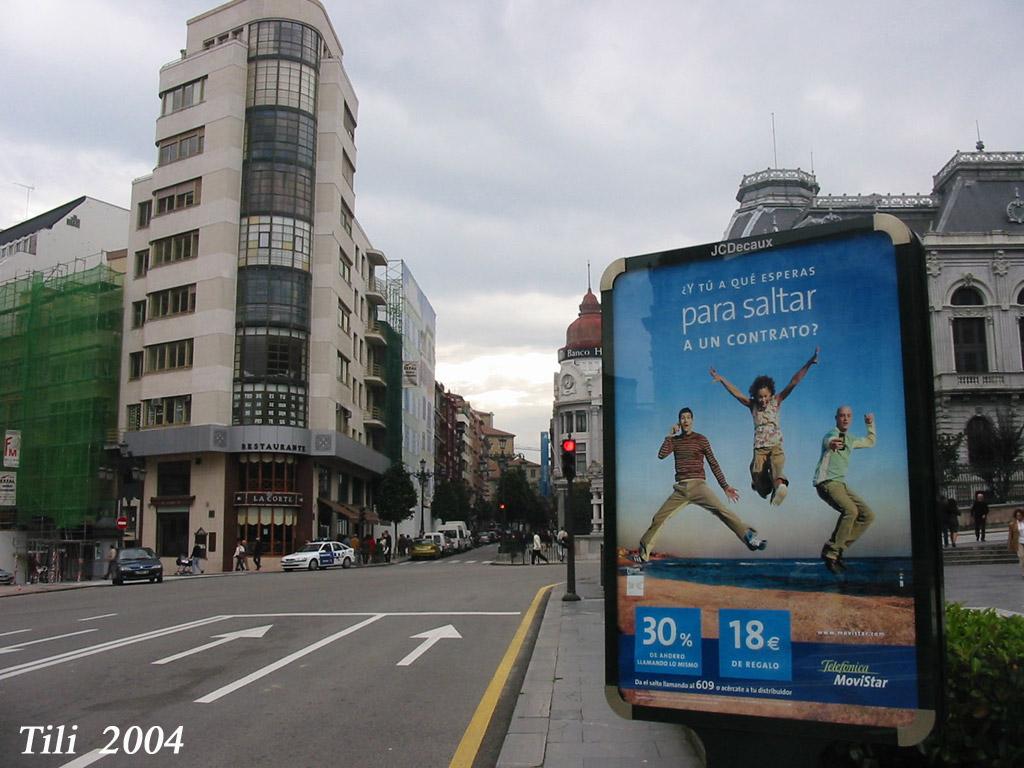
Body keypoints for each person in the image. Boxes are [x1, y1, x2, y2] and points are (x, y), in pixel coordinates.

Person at [632, 407, 766, 565]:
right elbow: (661, 455)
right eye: (682, 418)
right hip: (681, 489)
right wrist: (669, 435)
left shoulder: (701, 439)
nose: (686, 420)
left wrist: (725, 486)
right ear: (679, 422)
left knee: (722, 511)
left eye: (688, 417)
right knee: (658, 518)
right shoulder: (674, 441)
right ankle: (643, 554)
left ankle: (749, 538)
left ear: (692, 420)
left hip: (699, 486)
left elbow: (713, 463)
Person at [709, 347, 819, 506]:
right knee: (757, 474)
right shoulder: (752, 405)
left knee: (777, 469)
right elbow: (737, 393)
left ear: (771, 394)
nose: (763, 400)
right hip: (759, 449)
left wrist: (809, 363)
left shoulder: (777, 401)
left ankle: (780, 487)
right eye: (760, 397)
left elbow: (794, 381)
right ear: (755, 396)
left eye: (766, 396)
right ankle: (762, 487)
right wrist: (722, 379)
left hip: (775, 446)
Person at [814, 406, 876, 574]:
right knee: (851, 511)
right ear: (836, 418)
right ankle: (832, 553)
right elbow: (829, 440)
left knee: (868, 515)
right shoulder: (831, 434)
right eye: (842, 416)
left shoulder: (851, 439)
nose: (845, 419)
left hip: (840, 484)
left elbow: (870, 442)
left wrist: (870, 425)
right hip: (826, 482)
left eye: (848, 416)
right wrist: (833, 443)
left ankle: (836, 548)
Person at [1008, 508, 1024, 579]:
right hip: (1019, 542)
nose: (1019, 517)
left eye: (1020, 515)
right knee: (1021, 556)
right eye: (1017, 515)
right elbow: (1010, 535)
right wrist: (1010, 544)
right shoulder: (1012, 524)